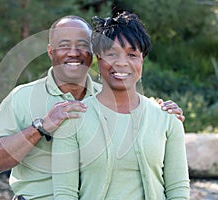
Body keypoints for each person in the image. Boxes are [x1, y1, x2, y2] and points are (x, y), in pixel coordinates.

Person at [0, 15, 185, 200]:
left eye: (82, 45)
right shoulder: (22, 98)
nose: (73, 53)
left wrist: (163, 116)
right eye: (64, 45)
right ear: (51, 51)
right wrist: (40, 128)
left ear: (93, 54)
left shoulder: (108, 97)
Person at [52, 11, 190, 200]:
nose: (121, 63)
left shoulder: (167, 119)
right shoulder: (73, 119)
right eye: (112, 54)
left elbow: (178, 190)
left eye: (132, 54)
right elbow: (64, 194)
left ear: (142, 60)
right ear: (98, 60)